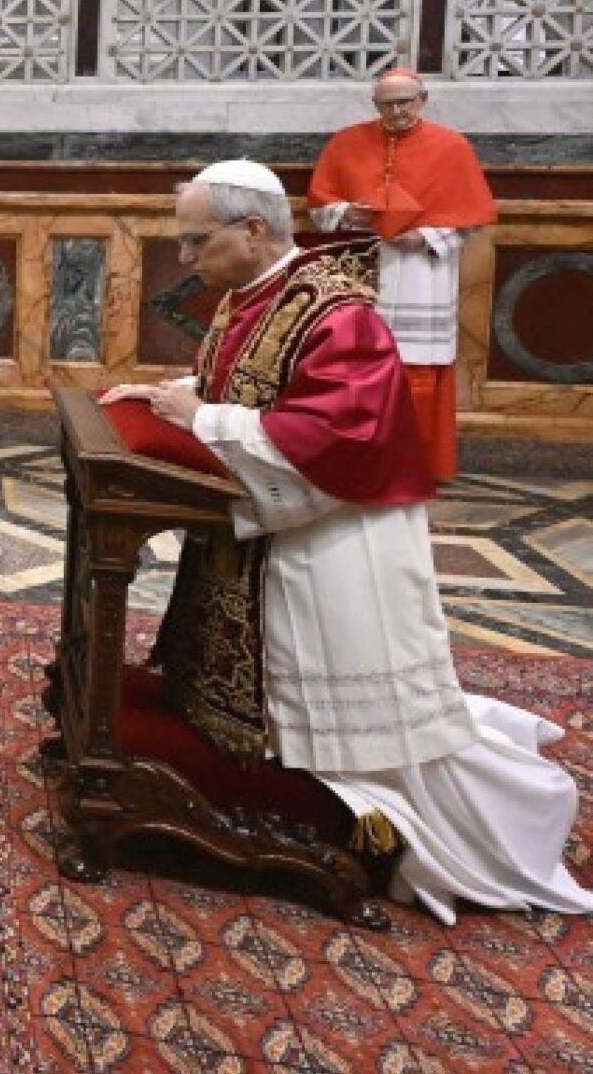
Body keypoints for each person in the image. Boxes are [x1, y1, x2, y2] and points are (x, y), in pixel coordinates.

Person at [100, 160, 591, 924]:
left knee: (344, 720)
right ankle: (263, 744)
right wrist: (170, 399)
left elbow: (337, 443)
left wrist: (201, 419)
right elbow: (247, 388)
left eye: (196, 241)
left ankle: (432, 815)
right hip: (280, 534)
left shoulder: (337, 314)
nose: (186, 259)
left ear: (253, 229)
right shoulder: (253, 295)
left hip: (332, 546)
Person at [307, 68, 496, 482]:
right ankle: (356, 455)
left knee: (418, 368)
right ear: (375, 105)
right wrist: (347, 213)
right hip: (360, 266)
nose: (396, 111)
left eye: (405, 102)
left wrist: (426, 235)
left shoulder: (452, 147)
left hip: (420, 271)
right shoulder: (346, 142)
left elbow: (473, 217)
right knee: (354, 364)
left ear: (423, 99)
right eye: (386, 104)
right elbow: (321, 205)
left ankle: (416, 462)